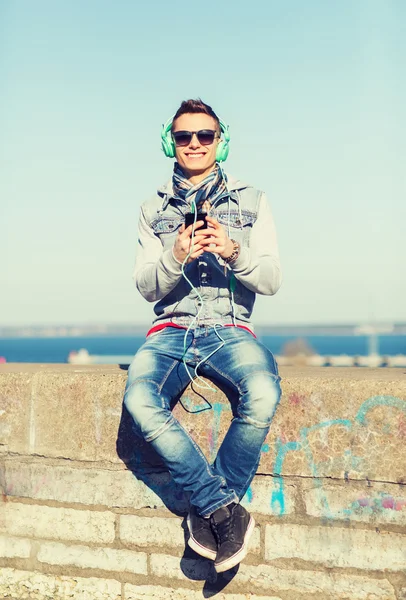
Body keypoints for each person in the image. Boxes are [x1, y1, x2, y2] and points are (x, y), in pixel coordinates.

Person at [124, 98, 282, 573]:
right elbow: (145, 286)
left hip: (230, 328)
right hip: (170, 329)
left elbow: (271, 280)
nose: (193, 144)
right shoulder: (153, 208)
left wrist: (235, 253)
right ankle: (219, 509)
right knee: (138, 399)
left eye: (204, 136)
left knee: (263, 390)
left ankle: (206, 510)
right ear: (169, 142)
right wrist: (174, 256)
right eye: (183, 136)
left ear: (221, 140)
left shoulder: (252, 200)